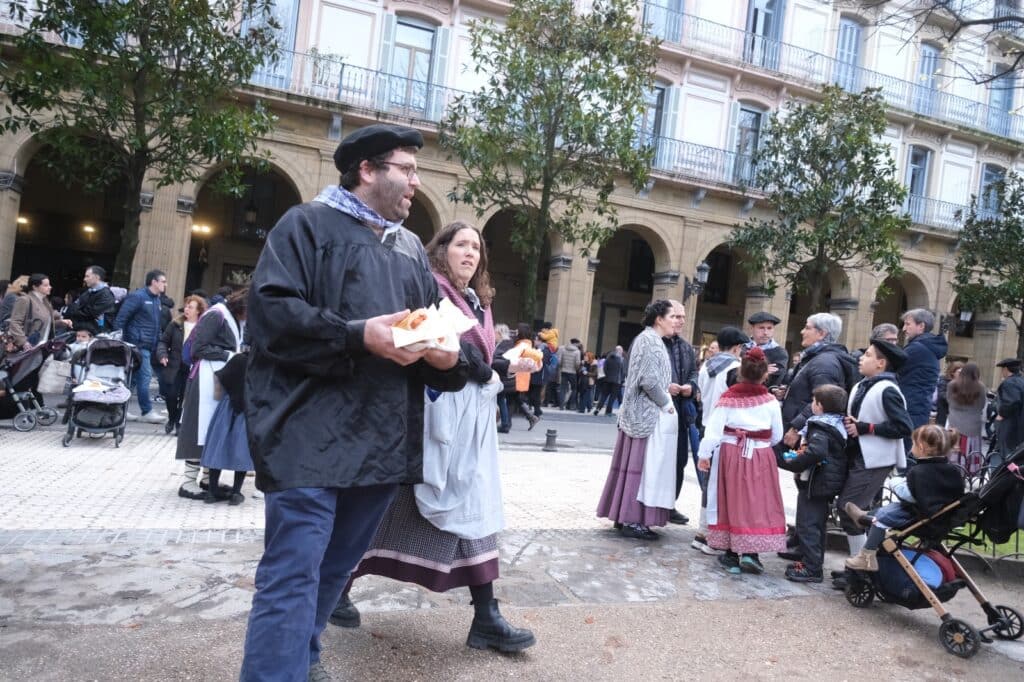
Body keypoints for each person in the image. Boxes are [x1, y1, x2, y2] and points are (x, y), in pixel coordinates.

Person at [239, 123, 467, 681]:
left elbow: (441, 345)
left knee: (334, 571)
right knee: (292, 575)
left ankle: (306, 658)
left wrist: (447, 359)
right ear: (367, 170)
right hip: (305, 437)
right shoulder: (305, 226)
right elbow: (270, 319)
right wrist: (358, 334)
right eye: (407, 170)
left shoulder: (412, 252)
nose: (417, 182)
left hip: (380, 445)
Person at [329, 221, 535, 653]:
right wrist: (489, 366)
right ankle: (334, 589)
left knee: (472, 507)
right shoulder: (431, 290)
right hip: (433, 416)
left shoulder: (478, 302)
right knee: (383, 506)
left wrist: (504, 365)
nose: (470, 254)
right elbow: (437, 348)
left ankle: (486, 616)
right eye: (462, 245)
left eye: (477, 248)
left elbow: (478, 359)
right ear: (442, 249)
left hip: (469, 421)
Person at [832, 338, 913, 588]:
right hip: (860, 455)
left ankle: (862, 568)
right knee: (851, 510)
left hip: (875, 459)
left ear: (881, 363)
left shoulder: (887, 389)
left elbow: (903, 426)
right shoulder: (863, 385)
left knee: (850, 509)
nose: (861, 358)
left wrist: (865, 427)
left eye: (867, 355)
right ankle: (860, 565)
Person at [697, 347, 785, 574]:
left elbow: (713, 432)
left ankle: (730, 554)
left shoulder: (727, 400)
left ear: (739, 373)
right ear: (765, 375)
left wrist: (704, 455)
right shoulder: (771, 401)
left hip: (730, 453)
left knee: (729, 500)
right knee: (756, 502)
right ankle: (751, 553)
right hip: (761, 455)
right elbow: (777, 435)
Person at [596, 300, 678, 540]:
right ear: (659, 319)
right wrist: (666, 404)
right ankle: (633, 519)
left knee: (632, 468)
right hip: (645, 414)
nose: (676, 321)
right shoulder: (652, 342)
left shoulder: (646, 339)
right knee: (641, 470)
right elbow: (649, 382)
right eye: (672, 316)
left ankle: (625, 517)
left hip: (636, 412)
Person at [844, 425, 964, 572]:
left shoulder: (920, 472)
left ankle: (867, 557)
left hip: (922, 517)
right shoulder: (953, 470)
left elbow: (909, 495)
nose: (912, 447)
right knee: (890, 509)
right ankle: (865, 516)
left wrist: (895, 483)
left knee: (883, 516)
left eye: (913, 444)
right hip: (940, 516)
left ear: (921, 447)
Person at [775, 384, 849, 583]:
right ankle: (810, 560)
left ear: (819, 406)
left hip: (817, 482)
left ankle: (812, 568)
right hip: (823, 482)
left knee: (809, 524)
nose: (811, 405)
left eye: (813, 402)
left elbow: (816, 452)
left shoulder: (821, 427)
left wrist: (793, 463)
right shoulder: (835, 423)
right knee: (815, 524)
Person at [692, 326, 748, 554]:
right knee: (720, 485)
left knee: (708, 483)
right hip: (725, 431)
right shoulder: (735, 368)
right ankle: (713, 538)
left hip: (706, 425)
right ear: (736, 347)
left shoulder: (708, 365)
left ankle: (702, 532)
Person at [175, 289, 246, 468]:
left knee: (210, 429)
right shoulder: (216, 315)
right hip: (204, 377)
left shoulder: (232, 317)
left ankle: (207, 481)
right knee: (197, 427)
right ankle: (189, 483)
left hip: (217, 377)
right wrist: (228, 355)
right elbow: (198, 349)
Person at [778, 313, 857, 448]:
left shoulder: (824, 363)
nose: (802, 331)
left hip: (805, 435)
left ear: (821, 334)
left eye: (807, 328)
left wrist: (796, 428)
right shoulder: (815, 358)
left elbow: (824, 401)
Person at [115, 269, 168, 423]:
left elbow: (156, 325)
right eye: (163, 281)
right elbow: (121, 319)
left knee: (132, 380)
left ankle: (120, 409)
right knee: (144, 376)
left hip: (147, 345)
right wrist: (121, 342)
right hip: (137, 345)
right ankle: (147, 411)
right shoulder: (138, 297)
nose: (165, 284)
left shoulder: (157, 299)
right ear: (154, 282)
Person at [201, 351, 253, 505]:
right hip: (247, 410)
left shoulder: (238, 359)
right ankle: (236, 492)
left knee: (217, 446)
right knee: (242, 450)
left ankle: (211, 491)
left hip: (227, 408)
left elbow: (220, 375)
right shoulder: (259, 363)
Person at [663, 300, 699, 525]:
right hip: (658, 412)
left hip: (681, 413)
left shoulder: (686, 347)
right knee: (656, 460)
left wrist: (691, 387)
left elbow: (695, 373)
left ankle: (669, 505)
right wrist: (664, 385)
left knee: (678, 460)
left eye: (683, 317)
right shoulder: (652, 343)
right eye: (676, 316)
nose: (681, 321)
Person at [156, 295, 207, 435]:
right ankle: (172, 418)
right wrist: (162, 355)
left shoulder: (203, 327)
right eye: (186, 306)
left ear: (198, 311)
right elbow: (163, 341)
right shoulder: (175, 324)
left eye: (190, 307)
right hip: (175, 365)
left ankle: (178, 422)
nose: (186, 309)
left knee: (185, 397)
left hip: (193, 367)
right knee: (171, 395)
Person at [898, 308, 948, 431]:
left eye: (908, 324)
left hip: (910, 411)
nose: (904, 329)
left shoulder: (917, 348)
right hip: (918, 410)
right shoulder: (926, 346)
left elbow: (892, 367)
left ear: (921, 326)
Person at [6, 273, 72, 351]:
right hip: (26, 348)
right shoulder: (25, 300)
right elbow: (15, 323)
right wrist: (23, 342)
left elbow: (43, 324)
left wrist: (61, 322)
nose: (50, 287)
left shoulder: (45, 302)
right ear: (35, 287)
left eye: (49, 285)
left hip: (41, 346)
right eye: (46, 285)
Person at [945, 362, 986, 461]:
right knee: (972, 450)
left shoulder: (952, 384)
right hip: (973, 423)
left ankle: (954, 468)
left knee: (953, 448)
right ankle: (969, 471)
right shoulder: (980, 386)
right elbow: (982, 405)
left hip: (954, 421)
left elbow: (949, 401)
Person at [63, 265, 116, 335]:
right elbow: (73, 307)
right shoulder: (89, 291)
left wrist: (75, 310)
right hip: (82, 331)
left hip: (94, 334)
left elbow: (89, 313)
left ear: (97, 277)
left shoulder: (106, 295)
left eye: (87, 276)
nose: (84, 279)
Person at [509, 323, 541, 429]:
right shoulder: (527, 343)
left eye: (517, 330)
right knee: (514, 398)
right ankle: (530, 417)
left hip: (518, 375)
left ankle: (507, 422)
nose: (515, 332)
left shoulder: (522, 345)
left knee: (512, 397)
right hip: (522, 375)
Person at [746, 311, 789, 386]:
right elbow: (733, 375)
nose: (765, 332)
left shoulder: (780, 353)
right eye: (761, 328)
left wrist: (747, 372)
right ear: (752, 328)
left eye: (769, 328)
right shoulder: (743, 348)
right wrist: (763, 371)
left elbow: (774, 380)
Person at [994, 357, 1024, 463]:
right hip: (1019, 424)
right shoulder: (1021, 381)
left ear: (1006, 369)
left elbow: (1012, 402)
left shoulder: (1010, 383)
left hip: (1010, 425)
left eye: (1002, 369)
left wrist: (1002, 413)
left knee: (1007, 454)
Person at [493, 323, 514, 433]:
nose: (493, 334)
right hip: (504, 377)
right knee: (501, 400)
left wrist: (491, 361)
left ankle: (505, 424)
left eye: (495, 332)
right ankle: (505, 423)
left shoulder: (504, 345)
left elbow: (499, 360)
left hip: (501, 377)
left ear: (500, 333)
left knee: (500, 400)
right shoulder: (506, 344)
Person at [594, 345, 625, 415]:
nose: (622, 352)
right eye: (622, 351)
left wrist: (607, 375)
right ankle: (608, 411)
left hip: (607, 380)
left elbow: (605, 368)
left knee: (604, 395)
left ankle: (598, 409)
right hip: (616, 381)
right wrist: (622, 380)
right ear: (619, 351)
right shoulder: (620, 359)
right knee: (612, 397)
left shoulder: (608, 357)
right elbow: (622, 371)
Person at [934, 360, 964, 429]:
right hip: (944, 414)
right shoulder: (944, 381)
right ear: (953, 372)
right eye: (959, 372)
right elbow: (942, 395)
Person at [557, 337, 582, 410]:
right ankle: (571, 405)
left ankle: (561, 406)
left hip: (564, 371)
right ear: (576, 343)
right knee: (574, 388)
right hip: (572, 372)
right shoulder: (577, 351)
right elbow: (577, 363)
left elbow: (559, 361)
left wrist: (562, 367)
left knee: (563, 389)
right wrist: (577, 369)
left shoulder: (564, 349)